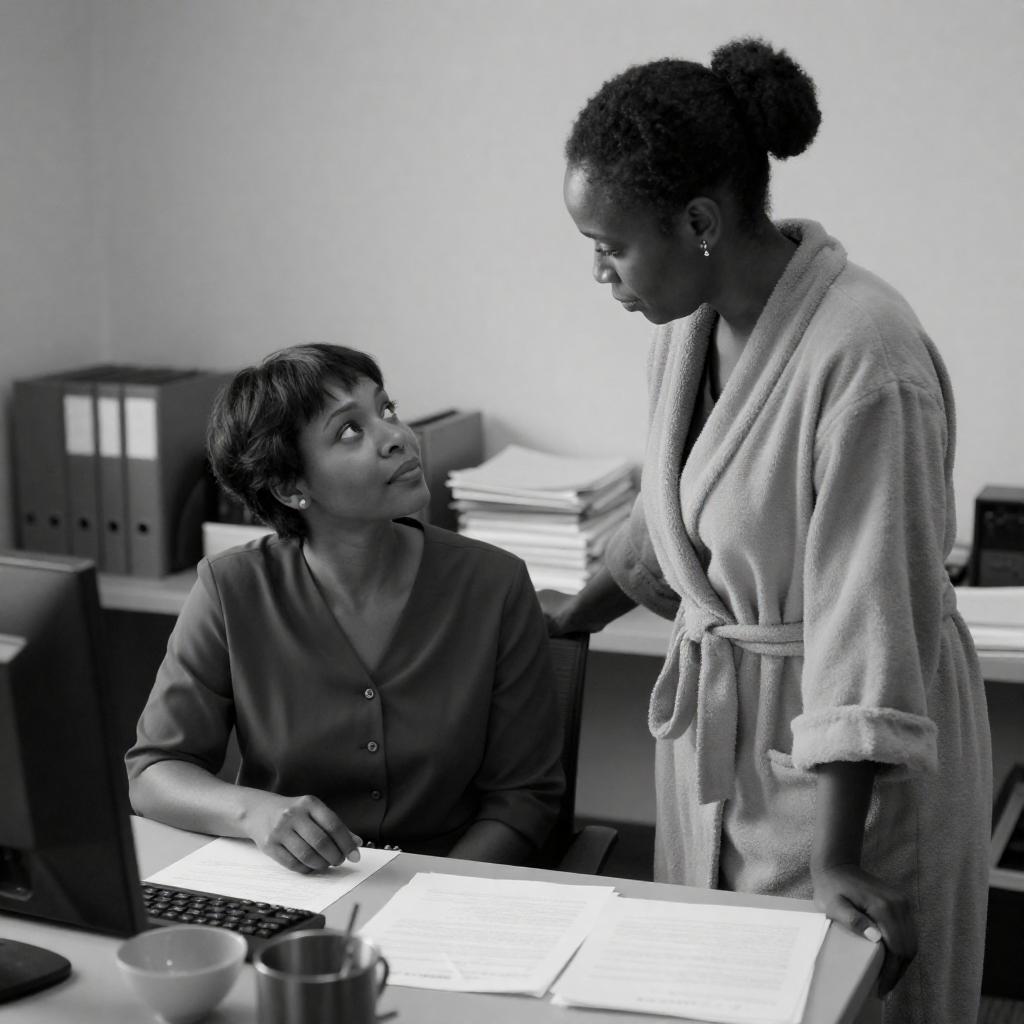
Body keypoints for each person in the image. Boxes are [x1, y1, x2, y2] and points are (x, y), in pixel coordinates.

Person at [550, 37, 991, 1024]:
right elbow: (683, 509)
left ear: (699, 221)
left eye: (610, 245)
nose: (598, 273)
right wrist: (573, 614)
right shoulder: (687, 325)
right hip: (724, 759)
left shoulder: (866, 359)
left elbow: (869, 611)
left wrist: (837, 857)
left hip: (852, 779)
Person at [127, 343, 564, 871]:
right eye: (350, 430)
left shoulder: (495, 583)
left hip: (451, 885)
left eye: (386, 409)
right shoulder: (231, 588)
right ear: (289, 487)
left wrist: (432, 890)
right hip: (291, 885)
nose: (397, 436)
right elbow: (155, 772)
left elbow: (524, 798)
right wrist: (253, 811)